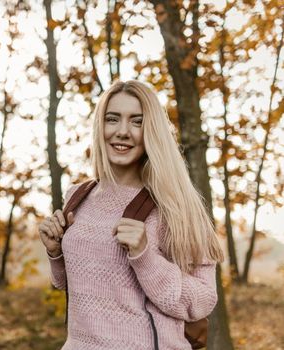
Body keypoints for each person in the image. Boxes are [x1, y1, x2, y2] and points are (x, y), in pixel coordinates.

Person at [38, 80, 224, 349]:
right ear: (100, 126)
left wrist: (145, 257)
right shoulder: (78, 196)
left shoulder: (174, 205)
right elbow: (75, 285)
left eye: (137, 122)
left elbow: (203, 300)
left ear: (151, 131)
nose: (122, 132)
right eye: (112, 119)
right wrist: (56, 252)